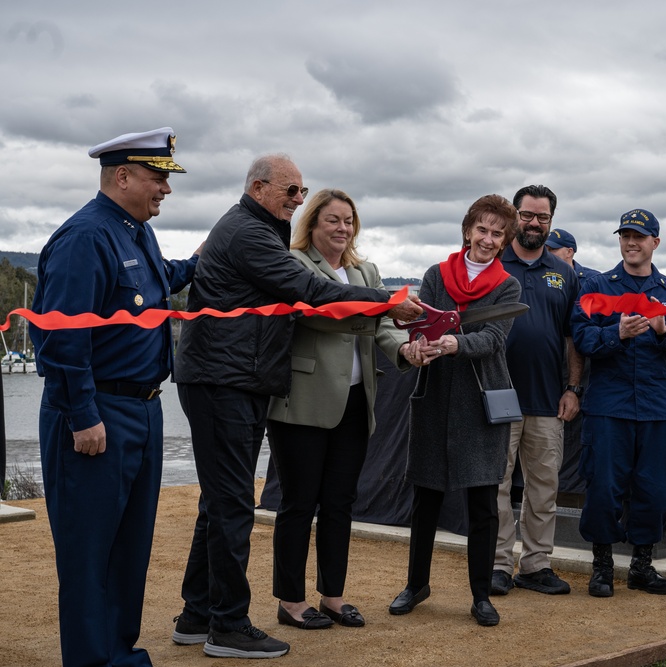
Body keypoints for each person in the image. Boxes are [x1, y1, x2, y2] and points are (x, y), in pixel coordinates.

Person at [171, 155, 422, 659]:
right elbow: (309, 292)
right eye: (291, 192)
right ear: (260, 188)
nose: (297, 200)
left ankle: (197, 614)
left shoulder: (254, 229)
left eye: (301, 192)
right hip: (226, 379)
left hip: (234, 378)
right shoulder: (251, 234)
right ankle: (228, 626)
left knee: (218, 505)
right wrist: (384, 301)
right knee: (235, 506)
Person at [30, 127, 199, 666]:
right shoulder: (86, 237)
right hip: (96, 413)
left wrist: (205, 258)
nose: (165, 189)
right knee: (89, 553)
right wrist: (82, 414)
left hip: (142, 410)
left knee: (129, 550)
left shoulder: (135, 231)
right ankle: (91, 660)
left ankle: (119, 653)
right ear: (121, 176)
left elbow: (159, 281)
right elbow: (60, 334)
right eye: (157, 177)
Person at [267, 188, 414, 631]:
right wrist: (382, 307)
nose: (342, 228)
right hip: (302, 405)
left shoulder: (365, 270)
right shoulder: (294, 264)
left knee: (339, 503)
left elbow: (385, 326)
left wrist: (409, 352)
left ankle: (333, 596)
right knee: (299, 503)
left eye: (349, 221)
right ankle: (290, 602)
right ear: (311, 224)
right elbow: (319, 312)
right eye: (333, 220)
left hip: (355, 401)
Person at [389, 194, 522, 627]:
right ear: (468, 230)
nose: (487, 239)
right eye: (481, 229)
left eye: (497, 233)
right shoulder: (436, 275)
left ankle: (481, 595)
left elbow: (493, 340)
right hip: (435, 395)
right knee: (425, 498)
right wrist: (422, 344)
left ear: (504, 241)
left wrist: (456, 343)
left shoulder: (508, 286)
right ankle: (416, 584)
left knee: (483, 503)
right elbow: (421, 325)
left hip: (481, 402)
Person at [572, 209, 666, 597]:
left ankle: (642, 566)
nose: (631, 243)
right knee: (604, 487)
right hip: (608, 406)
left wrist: (664, 329)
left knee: (656, 488)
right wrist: (618, 332)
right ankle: (602, 567)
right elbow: (581, 338)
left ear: (655, 243)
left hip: (657, 407)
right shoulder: (598, 287)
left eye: (639, 237)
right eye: (625, 236)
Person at [491, 185, 583, 597]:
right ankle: (495, 564)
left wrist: (573, 387)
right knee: (495, 485)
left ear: (551, 222)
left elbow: (571, 338)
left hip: (548, 397)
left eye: (542, 217)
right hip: (496, 394)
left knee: (544, 486)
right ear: (515, 216)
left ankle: (535, 565)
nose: (534, 223)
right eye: (527, 215)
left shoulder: (563, 272)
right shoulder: (492, 262)